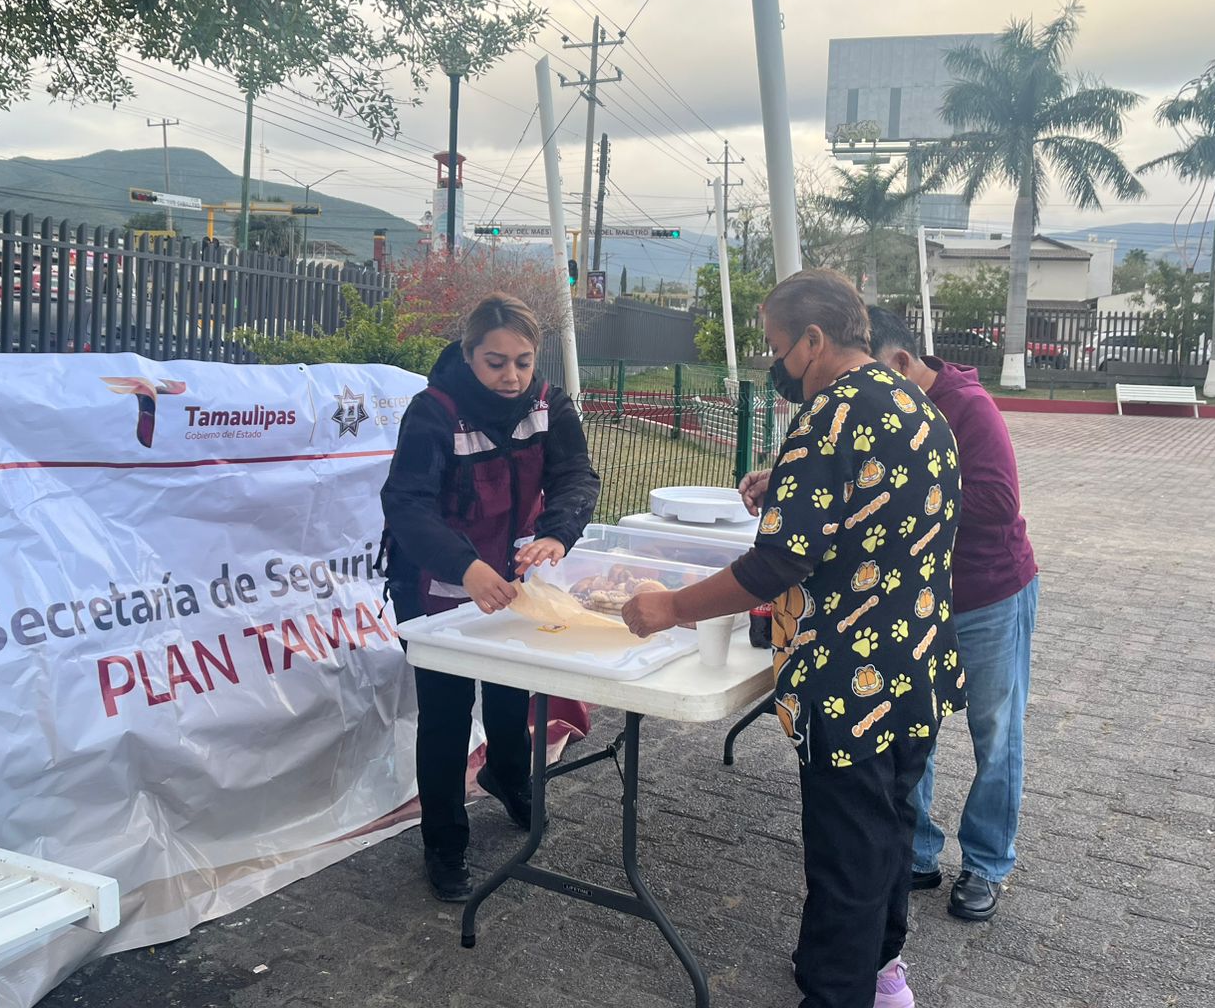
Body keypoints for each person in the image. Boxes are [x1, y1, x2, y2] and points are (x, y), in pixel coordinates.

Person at [623, 270, 963, 1008]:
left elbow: (774, 564)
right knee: (891, 828)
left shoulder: (829, 417)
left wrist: (669, 609)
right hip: (916, 663)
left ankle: (836, 993)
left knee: (848, 849)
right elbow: (875, 506)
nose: (776, 365)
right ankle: (872, 968)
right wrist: (785, 482)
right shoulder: (915, 403)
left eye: (779, 347)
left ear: (814, 339)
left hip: (852, 676)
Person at [381, 294, 601, 903]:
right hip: (437, 586)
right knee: (446, 715)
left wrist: (557, 532)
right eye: (495, 362)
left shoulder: (550, 404)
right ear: (469, 355)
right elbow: (406, 504)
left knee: (510, 687)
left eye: (523, 363)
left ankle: (506, 772)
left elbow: (576, 476)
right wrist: (465, 566)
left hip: (513, 581)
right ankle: (444, 842)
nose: (511, 377)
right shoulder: (433, 411)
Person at [866, 307, 1038, 923]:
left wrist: (905, 489)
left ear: (903, 363)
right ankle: (916, 851)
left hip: (989, 594)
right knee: (918, 724)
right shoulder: (883, 409)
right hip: (919, 597)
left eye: (878, 378)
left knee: (996, 734)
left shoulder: (968, 406)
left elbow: (998, 500)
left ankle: (987, 862)